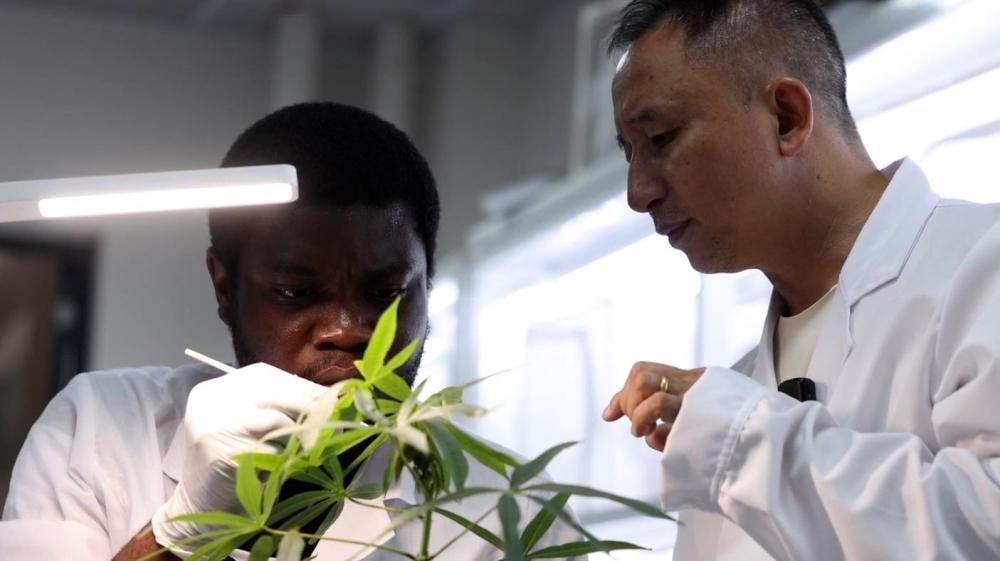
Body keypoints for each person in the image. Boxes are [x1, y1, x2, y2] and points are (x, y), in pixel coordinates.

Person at [0, 102, 576, 560]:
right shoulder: (101, 429)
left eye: (385, 293)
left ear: (428, 285)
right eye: (297, 293)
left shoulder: (511, 507)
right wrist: (183, 533)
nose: (348, 332)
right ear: (225, 288)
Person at [599, 1, 1000, 560]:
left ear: (786, 117)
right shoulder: (731, 393)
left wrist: (743, 439)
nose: (638, 193)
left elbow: (984, 531)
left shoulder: (982, 267)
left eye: (661, 139)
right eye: (630, 154)